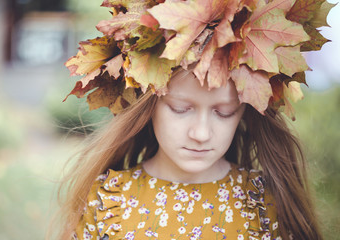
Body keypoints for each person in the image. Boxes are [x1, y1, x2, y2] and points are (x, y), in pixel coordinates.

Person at [51, 0, 333, 239]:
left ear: (245, 110)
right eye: (180, 108)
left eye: (223, 113)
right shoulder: (109, 198)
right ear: (149, 105)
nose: (201, 133)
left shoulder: (263, 203)